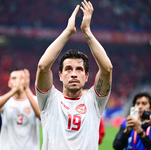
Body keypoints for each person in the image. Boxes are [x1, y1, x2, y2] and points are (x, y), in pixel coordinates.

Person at [35, 0, 113, 149]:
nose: (74, 74)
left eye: (79, 69)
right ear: (60, 75)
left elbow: (107, 69)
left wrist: (87, 31)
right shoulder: (49, 99)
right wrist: (68, 32)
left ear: (86, 76)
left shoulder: (94, 101)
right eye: (68, 69)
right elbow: (43, 66)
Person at [0, 69, 40, 150]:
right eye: (14, 78)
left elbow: (41, 116)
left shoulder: (35, 100)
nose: (17, 81)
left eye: (21, 78)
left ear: (26, 81)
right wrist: (14, 91)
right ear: (9, 83)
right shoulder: (4, 100)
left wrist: (27, 90)